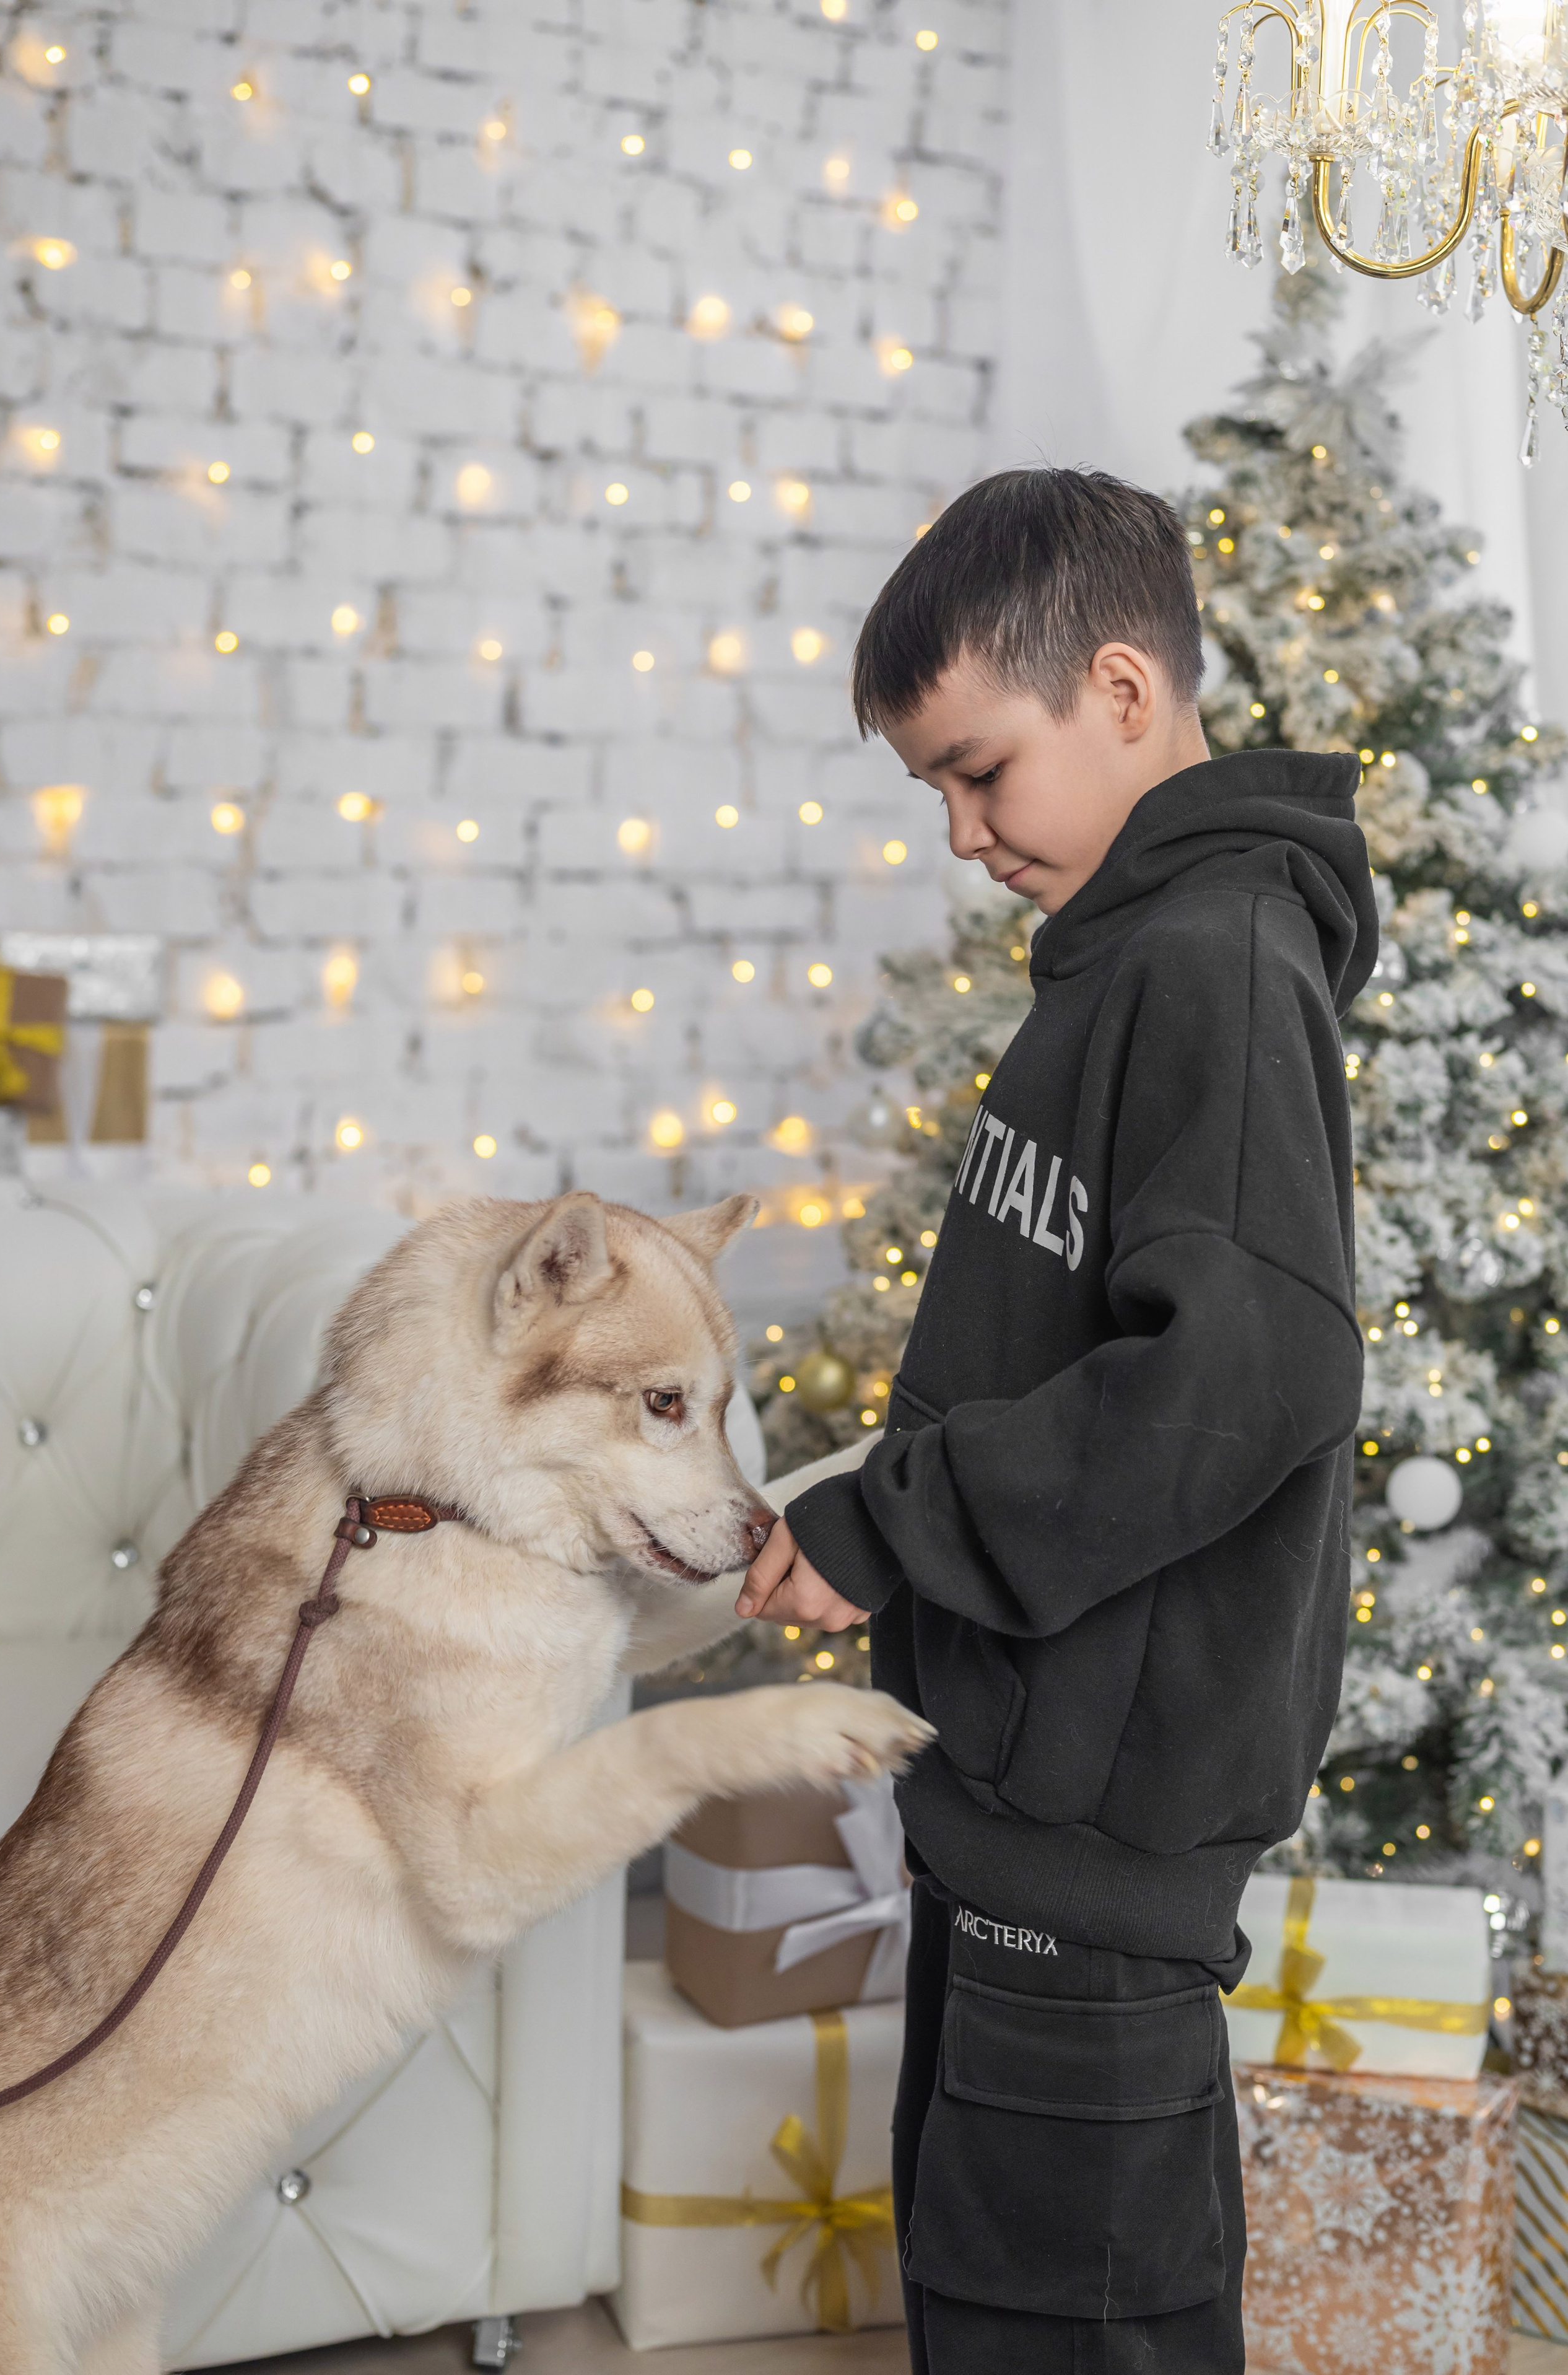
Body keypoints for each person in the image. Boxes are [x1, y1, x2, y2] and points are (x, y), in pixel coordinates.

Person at [736, 467, 1375, 2372]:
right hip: (1014, 1807)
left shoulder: (1219, 968)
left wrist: (888, 1523)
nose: (959, 832)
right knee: (998, 2310)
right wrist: (867, 1519)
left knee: (1073, 2329)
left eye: (978, 770)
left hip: (1097, 1845)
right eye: (929, 788)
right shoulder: (1126, 960)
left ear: (1118, 691)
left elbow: (1247, 1373)